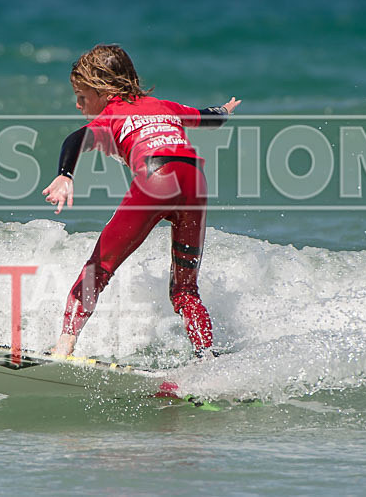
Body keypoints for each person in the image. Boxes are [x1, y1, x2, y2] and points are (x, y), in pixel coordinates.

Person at [42, 44, 240, 357]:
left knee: (98, 268)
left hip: (156, 180)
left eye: (82, 97)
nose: (79, 105)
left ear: (104, 91)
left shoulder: (110, 115)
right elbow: (206, 118)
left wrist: (65, 175)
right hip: (195, 183)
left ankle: (64, 343)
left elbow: (76, 138)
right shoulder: (162, 105)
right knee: (185, 290)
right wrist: (225, 111)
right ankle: (207, 360)